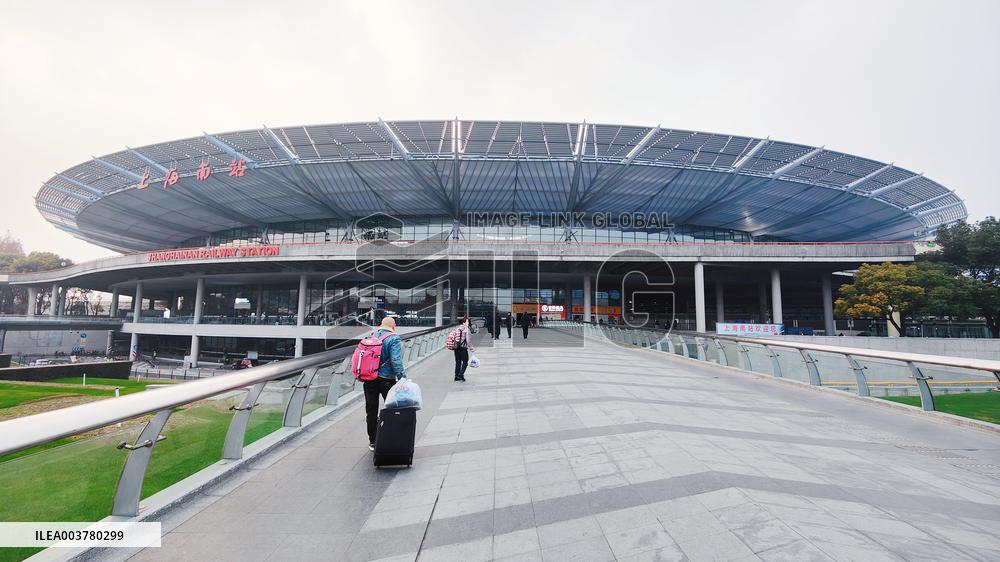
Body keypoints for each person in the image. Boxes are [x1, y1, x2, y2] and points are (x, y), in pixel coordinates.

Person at [364, 316, 406, 451]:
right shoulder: (393, 338)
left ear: (381, 324)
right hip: (386, 379)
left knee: (371, 410)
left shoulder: (371, 336)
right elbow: (395, 360)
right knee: (393, 408)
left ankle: (373, 441)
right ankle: (392, 437)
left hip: (369, 378)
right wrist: (401, 377)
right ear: (393, 327)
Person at [453, 315, 474, 381]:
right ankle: (461, 374)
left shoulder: (457, 328)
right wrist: (471, 348)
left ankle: (456, 376)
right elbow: (468, 340)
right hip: (463, 348)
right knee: (465, 361)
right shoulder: (466, 329)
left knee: (458, 362)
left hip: (456, 348)